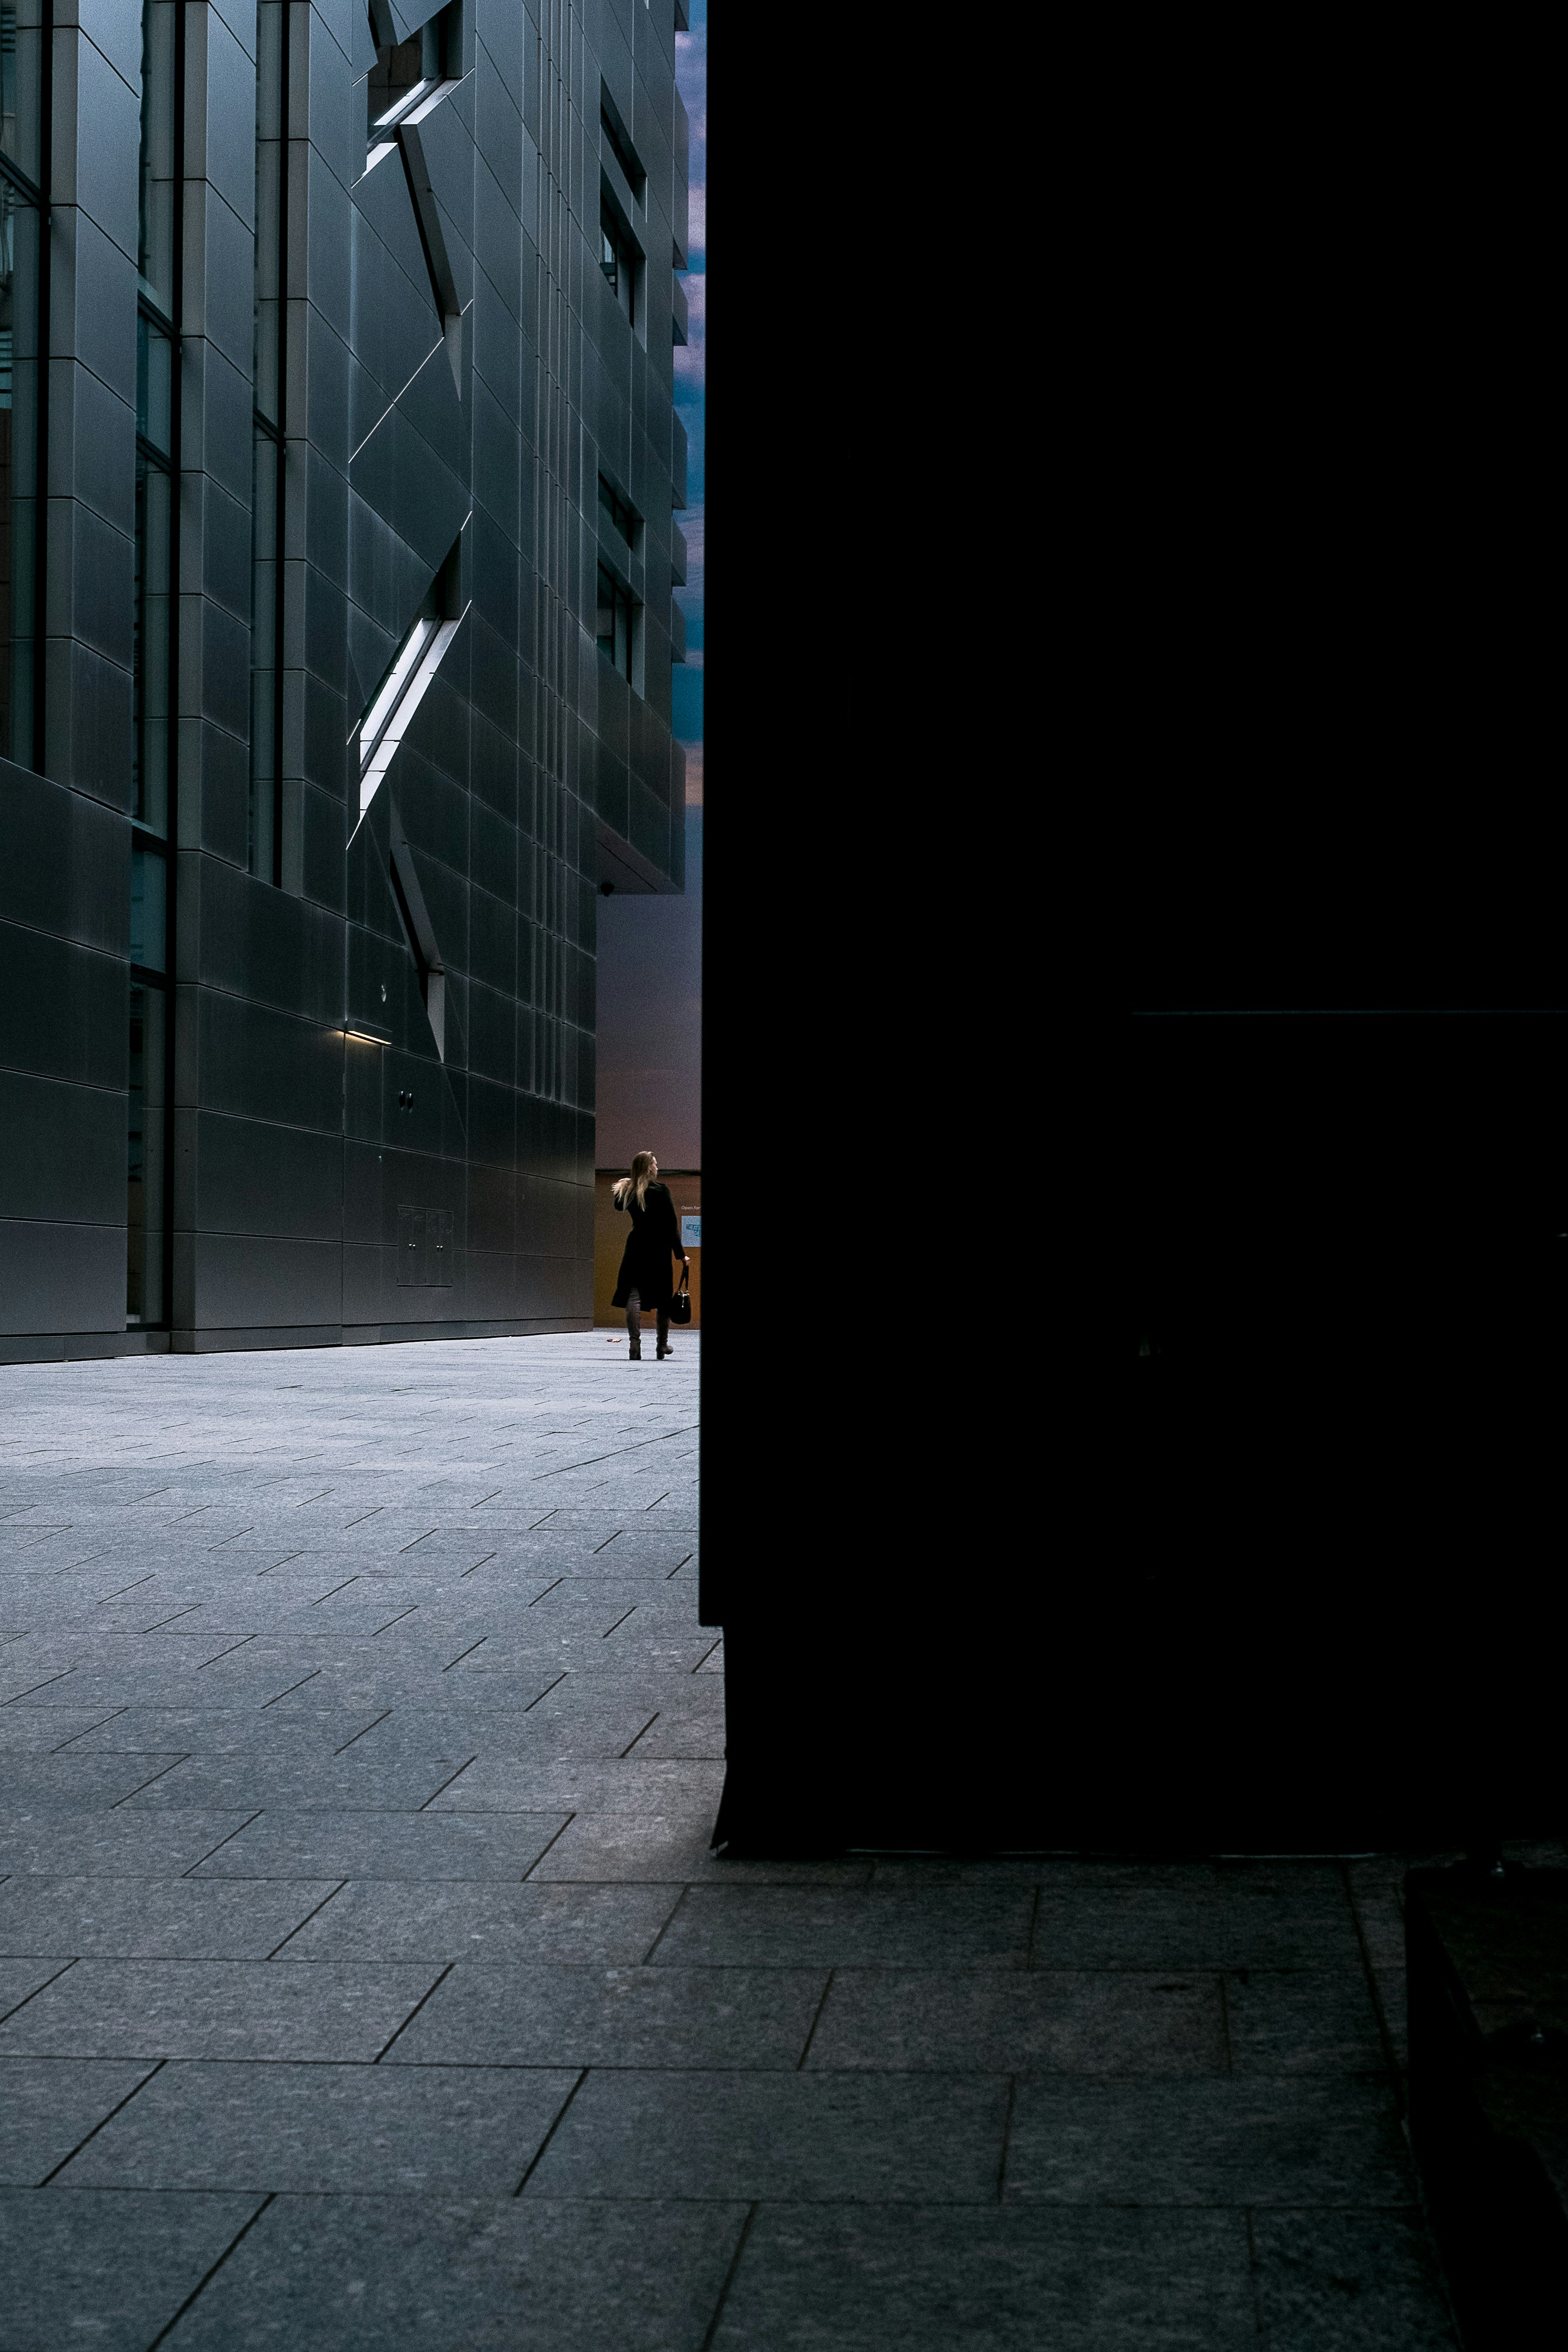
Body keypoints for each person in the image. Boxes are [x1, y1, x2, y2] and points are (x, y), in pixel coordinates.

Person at [610, 1150, 688, 1361]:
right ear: (649, 1168)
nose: (657, 1166)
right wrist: (681, 1255)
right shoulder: (661, 1191)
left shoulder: (629, 1190)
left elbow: (618, 1206)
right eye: (655, 1163)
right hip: (659, 1250)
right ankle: (662, 1345)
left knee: (634, 1296)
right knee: (663, 1299)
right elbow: (671, 1226)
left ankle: (635, 1344)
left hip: (636, 1247)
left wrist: (624, 1183)